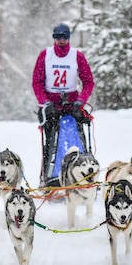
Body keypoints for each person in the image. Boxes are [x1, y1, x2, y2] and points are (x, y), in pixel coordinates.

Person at [32, 23, 95, 188]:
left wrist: (81, 100)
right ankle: (47, 177)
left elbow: (88, 81)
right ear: (54, 38)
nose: (61, 40)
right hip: (51, 106)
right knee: (50, 143)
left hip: (72, 106)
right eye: (58, 37)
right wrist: (45, 101)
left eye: (64, 37)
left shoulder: (77, 56)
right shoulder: (45, 55)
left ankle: (83, 175)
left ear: (68, 38)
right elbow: (37, 82)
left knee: (77, 138)